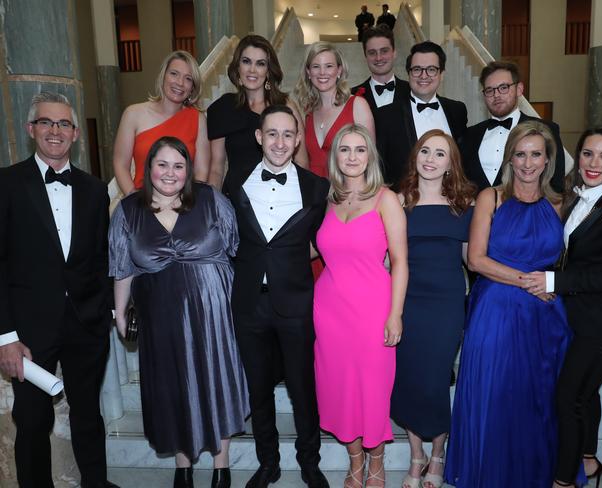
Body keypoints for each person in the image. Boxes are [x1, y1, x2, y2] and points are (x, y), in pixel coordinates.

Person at [109, 136, 248, 488]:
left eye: (178, 165)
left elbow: (236, 251)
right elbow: (123, 267)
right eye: (162, 164)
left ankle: (222, 465)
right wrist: (121, 312)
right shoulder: (127, 211)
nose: (170, 173)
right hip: (159, 312)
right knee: (173, 383)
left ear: (188, 170)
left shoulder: (212, 201)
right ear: (148, 168)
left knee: (216, 377)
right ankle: (182, 464)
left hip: (214, 311)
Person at [444, 121, 573, 488]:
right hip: (495, 311)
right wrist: (528, 281)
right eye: (520, 154)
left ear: (548, 159)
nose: (528, 163)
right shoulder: (491, 198)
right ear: (509, 158)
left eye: (536, 154)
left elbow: (581, 257)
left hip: (543, 315)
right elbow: (477, 260)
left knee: (537, 400)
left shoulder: (560, 204)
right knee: (495, 395)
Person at [0, 91, 118, 488]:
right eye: (47, 123)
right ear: (31, 129)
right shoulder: (7, 184)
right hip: (29, 333)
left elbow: (101, 260)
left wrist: (104, 314)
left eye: (64, 123)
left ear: (75, 135)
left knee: (89, 417)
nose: (56, 131)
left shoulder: (94, 189)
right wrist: (6, 336)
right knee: (32, 422)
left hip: (86, 326)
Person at [522, 124, 602, 488]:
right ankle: (588, 462)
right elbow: (573, 255)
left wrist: (552, 282)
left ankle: (564, 481)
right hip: (575, 316)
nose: (594, 163)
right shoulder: (577, 195)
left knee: (569, 398)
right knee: (582, 393)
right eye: (588, 153)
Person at [226, 105, 330, 488]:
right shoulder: (234, 181)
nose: (280, 142)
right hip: (249, 301)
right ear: (259, 137)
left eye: (288, 134)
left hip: (296, 302)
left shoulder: (316, 187)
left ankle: (309, 462)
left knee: (303, 387)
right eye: (272, 134)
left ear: (298, 139)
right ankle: (267, 463)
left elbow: (323, 241)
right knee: (258, 388)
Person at [313, 123, 408, 488]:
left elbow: (400, 261)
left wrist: (395, 313)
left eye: (359, 149)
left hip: (373, 310)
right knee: (339, 389)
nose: (352, 157)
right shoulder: (329, 198)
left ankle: (378, 463)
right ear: (335, 157)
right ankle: (355, 463)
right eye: (344, 150)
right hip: (329, 311)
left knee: (372, 388)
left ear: (370, 156)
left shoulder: (387, 198)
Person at [391, 129, 475, 488]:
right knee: (409, 377)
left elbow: (472, 260)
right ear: (415, 156)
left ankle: (438, 453)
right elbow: (386, 259)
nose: (430, 159)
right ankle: (416, 455)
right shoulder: (397, 200)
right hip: (406, 301)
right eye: (425, 151)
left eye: (440, 154)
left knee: (438, 378)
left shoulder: (464, 206)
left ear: (450, 163)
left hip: (446, 303)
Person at [207, 34, 308, 191]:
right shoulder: (223, 108)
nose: (252, 70)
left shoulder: (285, 106)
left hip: (280, 198)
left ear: (268, 71)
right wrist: (212, 207)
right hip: (235, 201)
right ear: (237, 67)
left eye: (260, 64)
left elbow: (302, 164)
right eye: (246, 61)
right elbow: (216, 169)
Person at [112, 50, 210, 194]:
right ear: (163, 76)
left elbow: (201, 172)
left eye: (188, 78)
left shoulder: (198, 119)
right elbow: (120, 164)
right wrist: (134, 201)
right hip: (142, 202)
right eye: (174, 74)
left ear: (192, 88)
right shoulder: (133, 114)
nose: (180, 83)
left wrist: (188, 204)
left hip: (183, 207)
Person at [460, 61, 565, 193]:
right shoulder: (470, 134)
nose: (496, 95)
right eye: (489, 90)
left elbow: (556, 184)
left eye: (503, 87)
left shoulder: (545, 129)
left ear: (519, 89)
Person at [375, 41, 467, 189]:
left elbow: (461, 160)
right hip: (402, 205)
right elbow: (378, 168)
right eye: (417, 69)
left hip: (451, 201)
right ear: (409, 74)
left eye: (431, 69)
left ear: (441, 74)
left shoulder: (457, 110)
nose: (423, 76)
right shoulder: (385, 115)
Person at [295, 41, 375, 179]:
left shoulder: (357, 105)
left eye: (329, 66)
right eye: (316, 66)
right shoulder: (306, 112)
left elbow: (370, 160)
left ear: (339, 70)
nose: (322, 72)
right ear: (308, 72)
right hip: (314, 195)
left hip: (346, 195)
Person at [352, 26, 410, 118]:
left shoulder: (412, 91)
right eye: (372, 53)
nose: (378, 58)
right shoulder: (352, 96)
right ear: (365, 56)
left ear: (394, 53)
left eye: (384, 51)